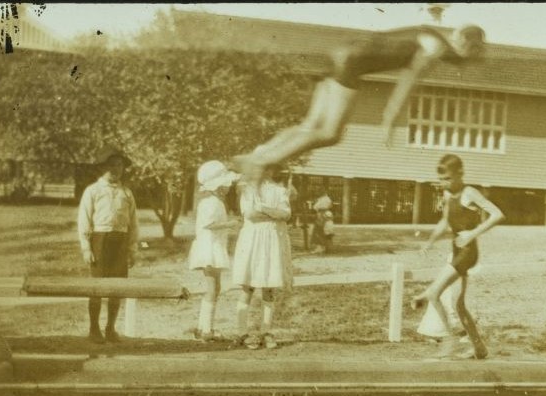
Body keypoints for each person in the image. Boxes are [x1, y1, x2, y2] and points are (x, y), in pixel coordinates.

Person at [232, 25, 487, 181]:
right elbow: (407, 83)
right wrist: (388, 121)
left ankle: (258, 153)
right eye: (473, 55)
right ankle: (266, 161)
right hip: (351, 62)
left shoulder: (431, 35)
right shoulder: (435, 48)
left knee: (309, 125)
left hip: (339, 53)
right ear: (466, 44)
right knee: (330, 134)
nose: (466, 64)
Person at [414, 154, 504, 357]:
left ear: (460, 174)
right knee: (458, 304)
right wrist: (429, 242)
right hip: (456, 251)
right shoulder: (447, 194)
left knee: (434, 294)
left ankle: (449, 341)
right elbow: (444, 222)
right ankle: (479, 348)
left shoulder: (470, 192)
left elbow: (498, 214)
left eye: (448, 178)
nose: (444, 183)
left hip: (467, 252)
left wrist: (472, 233)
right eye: (441, 179)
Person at [76, 148, 138, 344]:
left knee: (117, 288)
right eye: (111, 165)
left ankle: (110, 328)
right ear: (102, 168)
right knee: (97, 287)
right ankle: (94, 328)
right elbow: (84, 219)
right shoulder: (92, 191)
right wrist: (86, 247)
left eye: (119, 165)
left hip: (121, 241)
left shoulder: (126, 193)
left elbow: (134, 222)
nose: (115, 169)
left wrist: (133, 249)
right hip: (99, 241)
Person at [230, 165, 293, 350]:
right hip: (252, 240)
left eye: (266, 170)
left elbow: (286, 214)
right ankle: (243, 332)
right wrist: (274, 213)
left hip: (272, 240)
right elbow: (250, 214)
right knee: (247, 287)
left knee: (268, 287)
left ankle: (267, 331)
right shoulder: (247, 189)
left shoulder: (280, 190)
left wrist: (264, 209)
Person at [187, 160, 239, 341]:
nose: (228, 188)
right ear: (218, 186)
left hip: (213, 246)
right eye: (225, 185)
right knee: (212, 288)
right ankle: (206, 330)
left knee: (215, 288)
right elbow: (208, 224)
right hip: (208, 248)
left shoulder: (215, 201)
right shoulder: (211, 203)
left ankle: (203, 327)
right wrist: (230, 223)